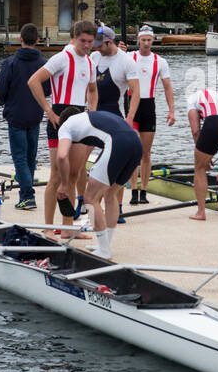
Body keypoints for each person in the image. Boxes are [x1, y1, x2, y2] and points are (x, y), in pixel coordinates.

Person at [27, 20, 98, 237]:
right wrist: (49, 111)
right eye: (82, 41)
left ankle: (67, 228)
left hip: (80, 117)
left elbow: (93, 90)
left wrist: (92, 114)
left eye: (90, 42)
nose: (86, 45)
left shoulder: (90, 62)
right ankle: (49, 227)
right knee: (57, 176)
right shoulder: (62, 58)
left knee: (75, 175)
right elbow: (33, 81)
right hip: (59, 116)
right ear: (74, 38)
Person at [52, 106, 142, 259]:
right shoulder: (92, 116)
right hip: (136, 143)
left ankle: (104, 250)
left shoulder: (66, 125)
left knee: (90, 199)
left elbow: (61, 156)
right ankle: (105, 244)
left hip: (117, 143)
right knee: (110, 194)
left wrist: (65, 184)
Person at [0, 23, 46, 211]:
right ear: (38, 40)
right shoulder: (43, 63)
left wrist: (4, 102)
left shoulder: (11, 62)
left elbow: (1, 89)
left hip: (16, 114)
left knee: (20, 157)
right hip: (35, 114)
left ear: (20, 39)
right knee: (31, 156)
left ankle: (27, 196)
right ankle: (27, 192)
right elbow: (47, 88)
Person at [91, 25, 139, 221]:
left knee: (115, 163)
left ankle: (117, 207)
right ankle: (84, 202)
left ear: (109, 42)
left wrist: (129, 119)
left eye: (99, 45)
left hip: (114, 114)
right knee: (87, 163)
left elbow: (136, 92)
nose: (96, 48)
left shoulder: (126, 61)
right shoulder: (94, 57)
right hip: (94, 113)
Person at [125, 26, 176, 206]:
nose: (146, 43)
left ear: (153, 40)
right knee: (134, 151)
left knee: (146, 153)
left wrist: (172, 111)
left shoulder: (160, 61)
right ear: (138, 40)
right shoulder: (129, 57)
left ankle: (144, 191)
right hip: (132, 105)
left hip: (148, 106)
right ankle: (133, 190)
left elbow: (168, 87)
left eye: (149, 40)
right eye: (143, 40)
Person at [186, 87, 218, 221]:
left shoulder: (192, 99)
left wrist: (204, 157)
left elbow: (196, 130)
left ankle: (201, 212)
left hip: (214, 123)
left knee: (200, 168)